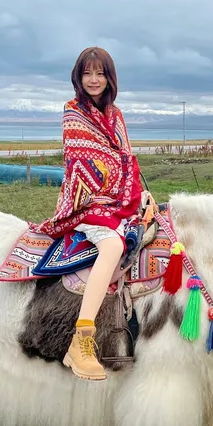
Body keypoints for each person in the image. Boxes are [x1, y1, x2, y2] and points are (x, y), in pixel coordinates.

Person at [35, 47, 142, 380]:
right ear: (78, 77)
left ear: (109, 78)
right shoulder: (72, 112)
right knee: (112, 246)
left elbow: (125, 158)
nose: (94, 80)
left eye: (100, 73)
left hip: (118, 198)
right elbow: (82, 163)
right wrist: (111, 183)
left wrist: (137, 191)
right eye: (87, 73)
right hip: (86, 201)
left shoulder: (116, 115)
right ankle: (80, 340)